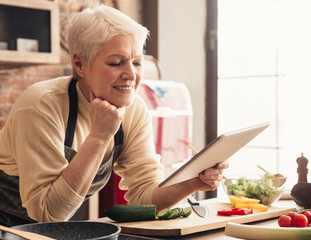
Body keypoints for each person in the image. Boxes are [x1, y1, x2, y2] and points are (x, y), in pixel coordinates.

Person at [0, 5, 228, 227]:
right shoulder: (41, 106)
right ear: (80, 64)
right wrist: (99, 137)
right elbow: (47, 213)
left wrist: (191, 183)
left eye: (137, 62)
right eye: (116, 62)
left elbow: (145, 196)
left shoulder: (134, 110)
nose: (131, 74)